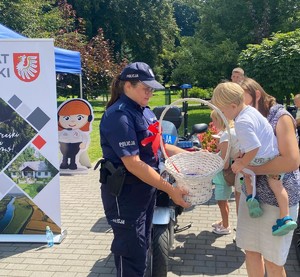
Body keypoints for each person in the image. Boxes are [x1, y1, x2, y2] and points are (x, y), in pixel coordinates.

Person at [99, 62, 190, 277]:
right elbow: (133, 164)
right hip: (126, 196)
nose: (150, 92)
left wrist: (190, 155)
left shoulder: (145, 112)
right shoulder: (119, 117)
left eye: (152, 88)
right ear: (127, 86)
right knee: (131, 257)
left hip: (145, 192)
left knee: (143, 249)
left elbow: (159, 146)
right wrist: (171, 190)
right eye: (145, 87)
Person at [212, 82, 297, 235]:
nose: (223, 116)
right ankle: (285, 217)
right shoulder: (250, 110)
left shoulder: (241, 122)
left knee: (244, 171)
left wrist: (242, 162)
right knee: (277, 185)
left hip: (261, 157)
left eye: (223, 112)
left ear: (232, 106)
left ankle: (252, 199)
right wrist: (243, 153)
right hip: (273, 153)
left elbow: (254, 147)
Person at [238, 77, 299, 276]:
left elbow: (291, 161)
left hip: (277, 201)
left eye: (242, 100)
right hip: (253, 199)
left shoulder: (280, 117)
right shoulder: (246, 118)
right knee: (252, 252)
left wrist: (249, 168)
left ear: (257, 95)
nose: (240, 107)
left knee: (274, 261)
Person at [210, 110, 239, 235]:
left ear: (220, 120)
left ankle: (225, 226)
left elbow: (225, 162)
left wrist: (211, 159)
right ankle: (224, 221)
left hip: (223, 177)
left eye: (214, 120)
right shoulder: (231, 132)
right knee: (224, 201)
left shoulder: (225, 135)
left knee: (221, 202)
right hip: (226, 176)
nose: (213, 123)